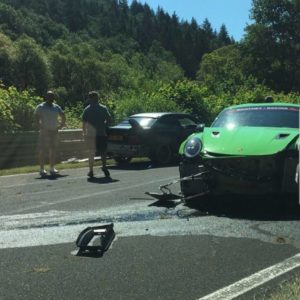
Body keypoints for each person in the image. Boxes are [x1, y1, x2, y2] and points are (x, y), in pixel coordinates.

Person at [34, 91, 66, 177]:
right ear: (46, 97)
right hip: (45, 131)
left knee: (53, 150)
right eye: (49, 96)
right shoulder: (40, 107)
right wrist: (41, 127)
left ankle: (52, 168)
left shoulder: (56, 107)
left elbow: (63, 115)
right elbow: (36, 119)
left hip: (54, 131)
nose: (51, 98)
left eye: (52, 96)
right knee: (43, 150)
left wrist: (61, 125)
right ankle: (41, 169)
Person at [82, 91, 111, 178]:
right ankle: (104, 166)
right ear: (97, 98)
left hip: (91, 135)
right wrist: (104, 125)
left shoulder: (87, 109)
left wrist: (84, 132)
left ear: (90, 99)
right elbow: (109, 119)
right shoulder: (103, 108)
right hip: (101, 133)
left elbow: (84, 123)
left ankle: (91, 170)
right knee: (103, 152)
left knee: (91, 152)